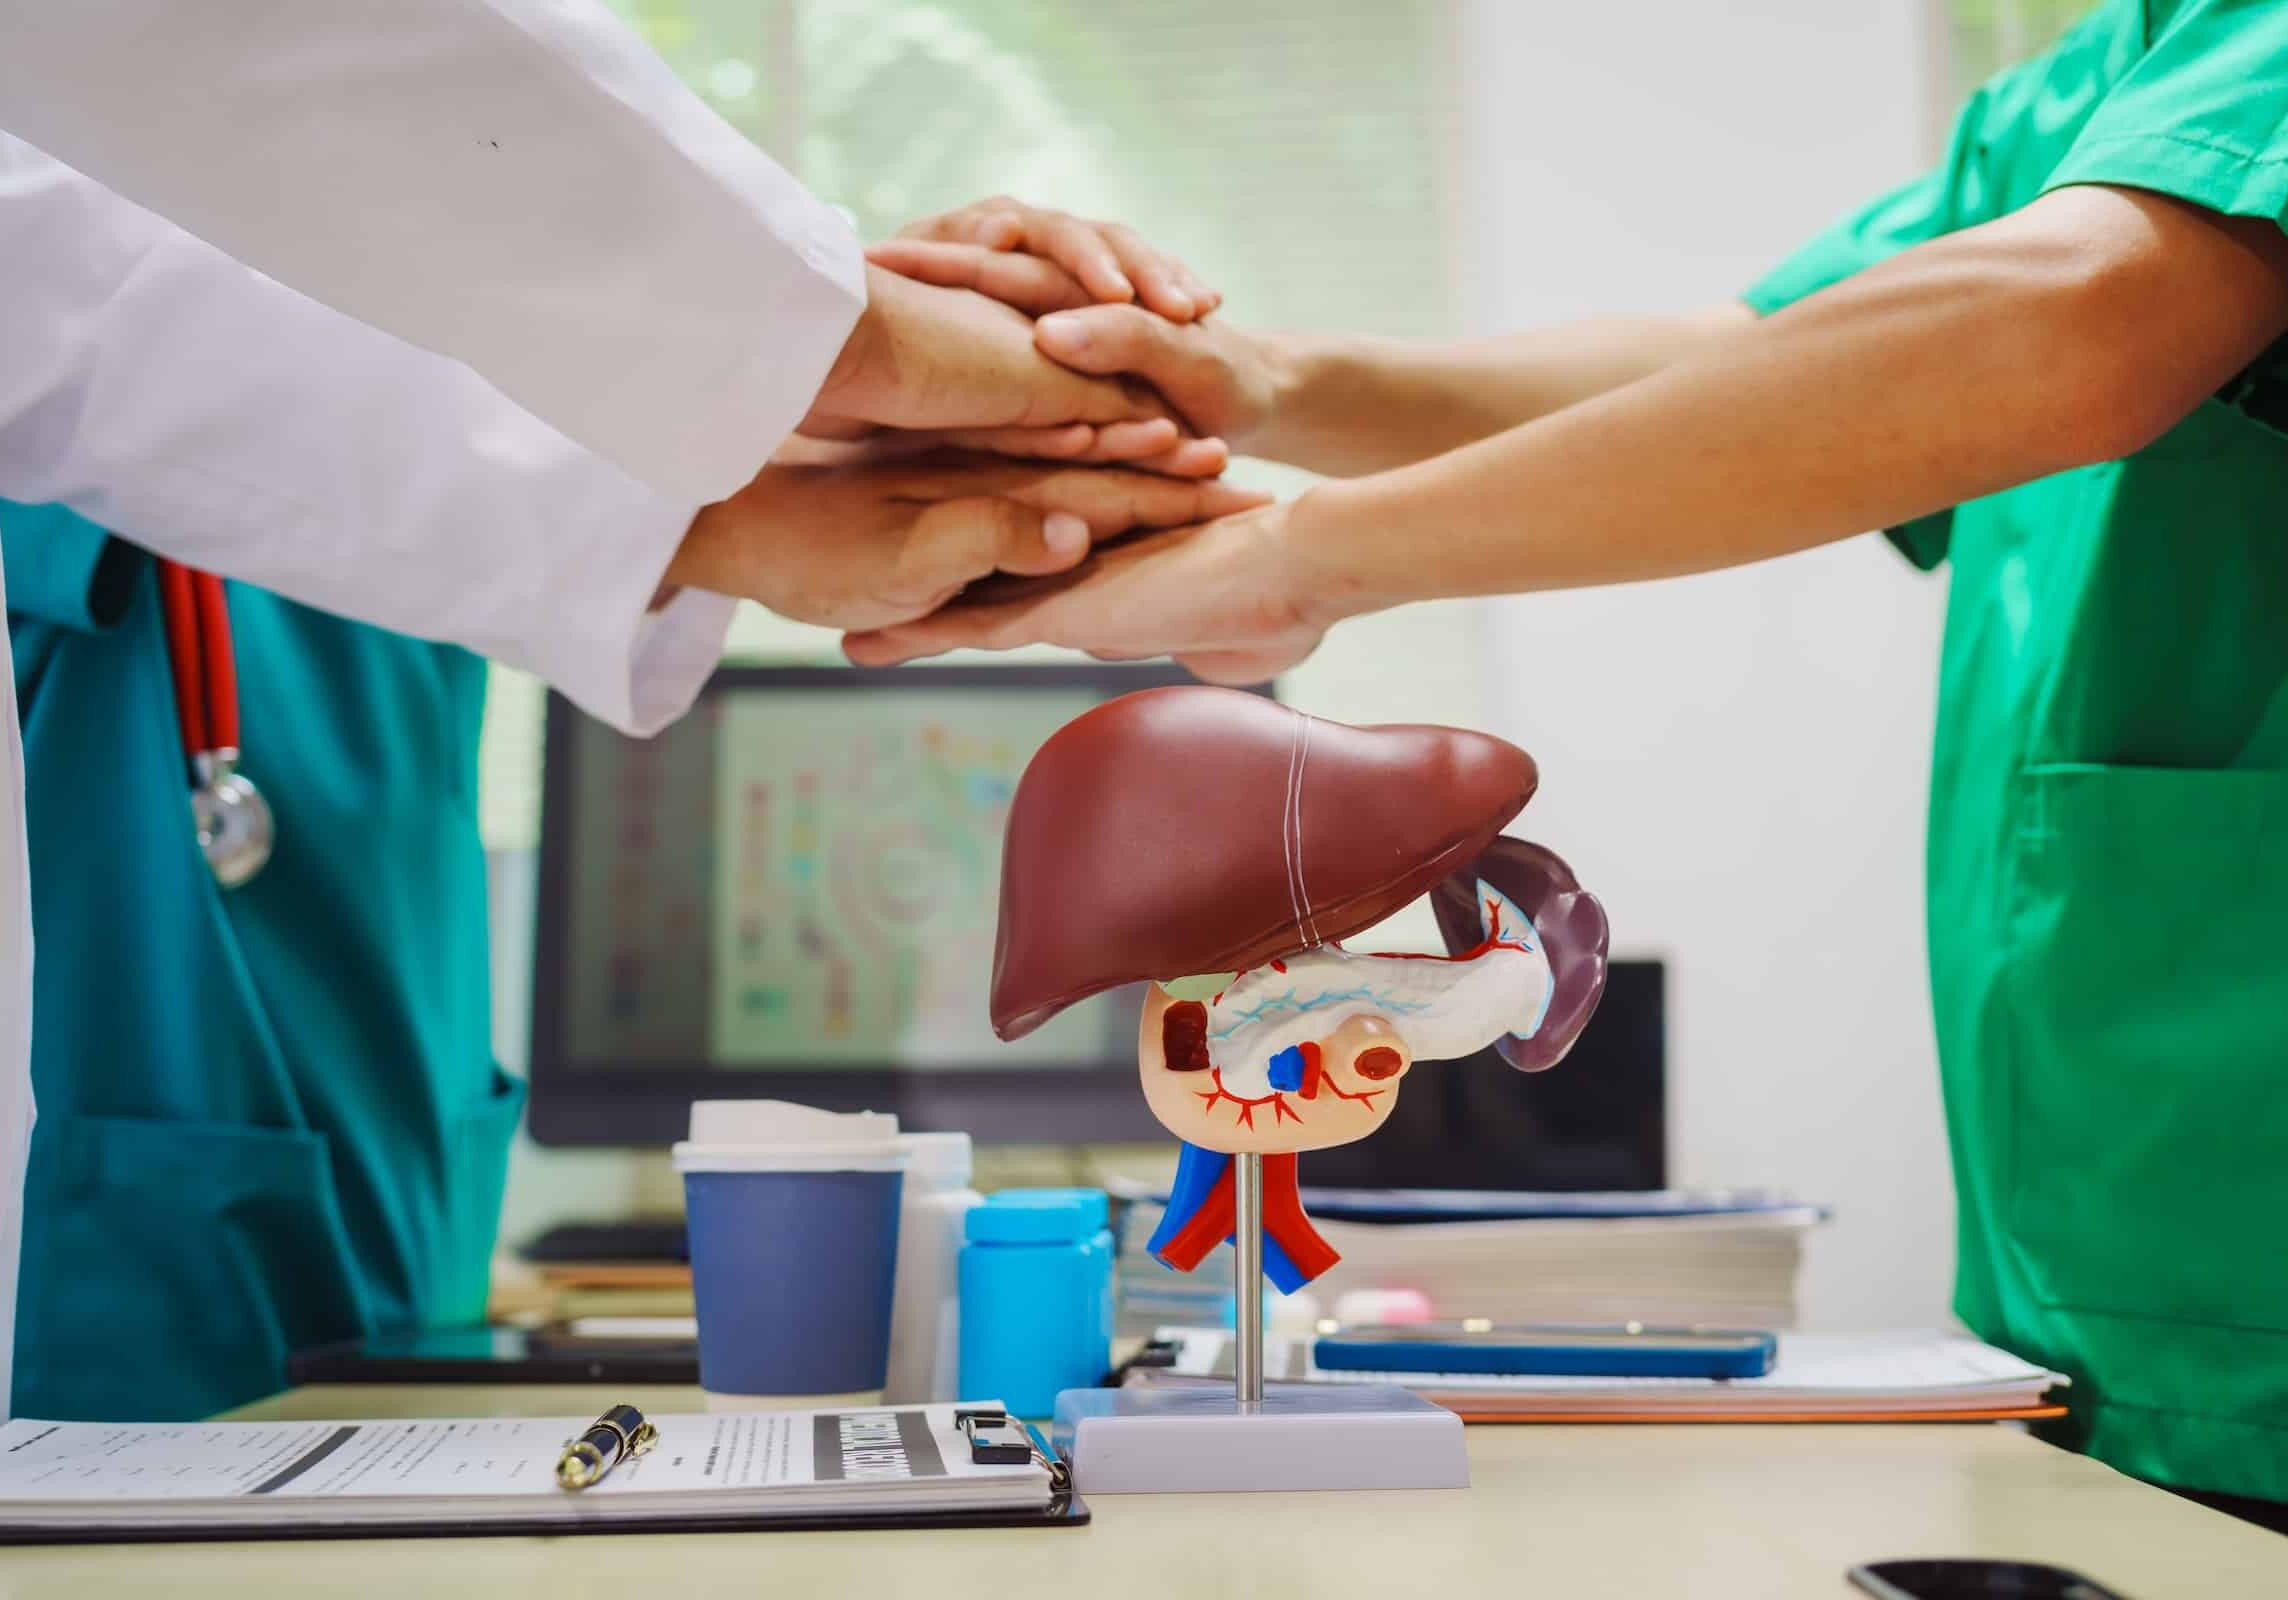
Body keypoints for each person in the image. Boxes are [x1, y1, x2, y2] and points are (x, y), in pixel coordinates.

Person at [855, 0, 2288, 1516]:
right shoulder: (2093, 82)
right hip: (2093, 1276)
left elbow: (2062, 324)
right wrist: (1263, 387)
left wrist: (1299, 556)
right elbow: (1760, 363)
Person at [0, 0, 1235, 1415]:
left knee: (363, 1399)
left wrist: (786, 407)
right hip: (159, 568)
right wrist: (861, 347)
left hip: (319, 542)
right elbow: (276, 74)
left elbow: (107, 300)